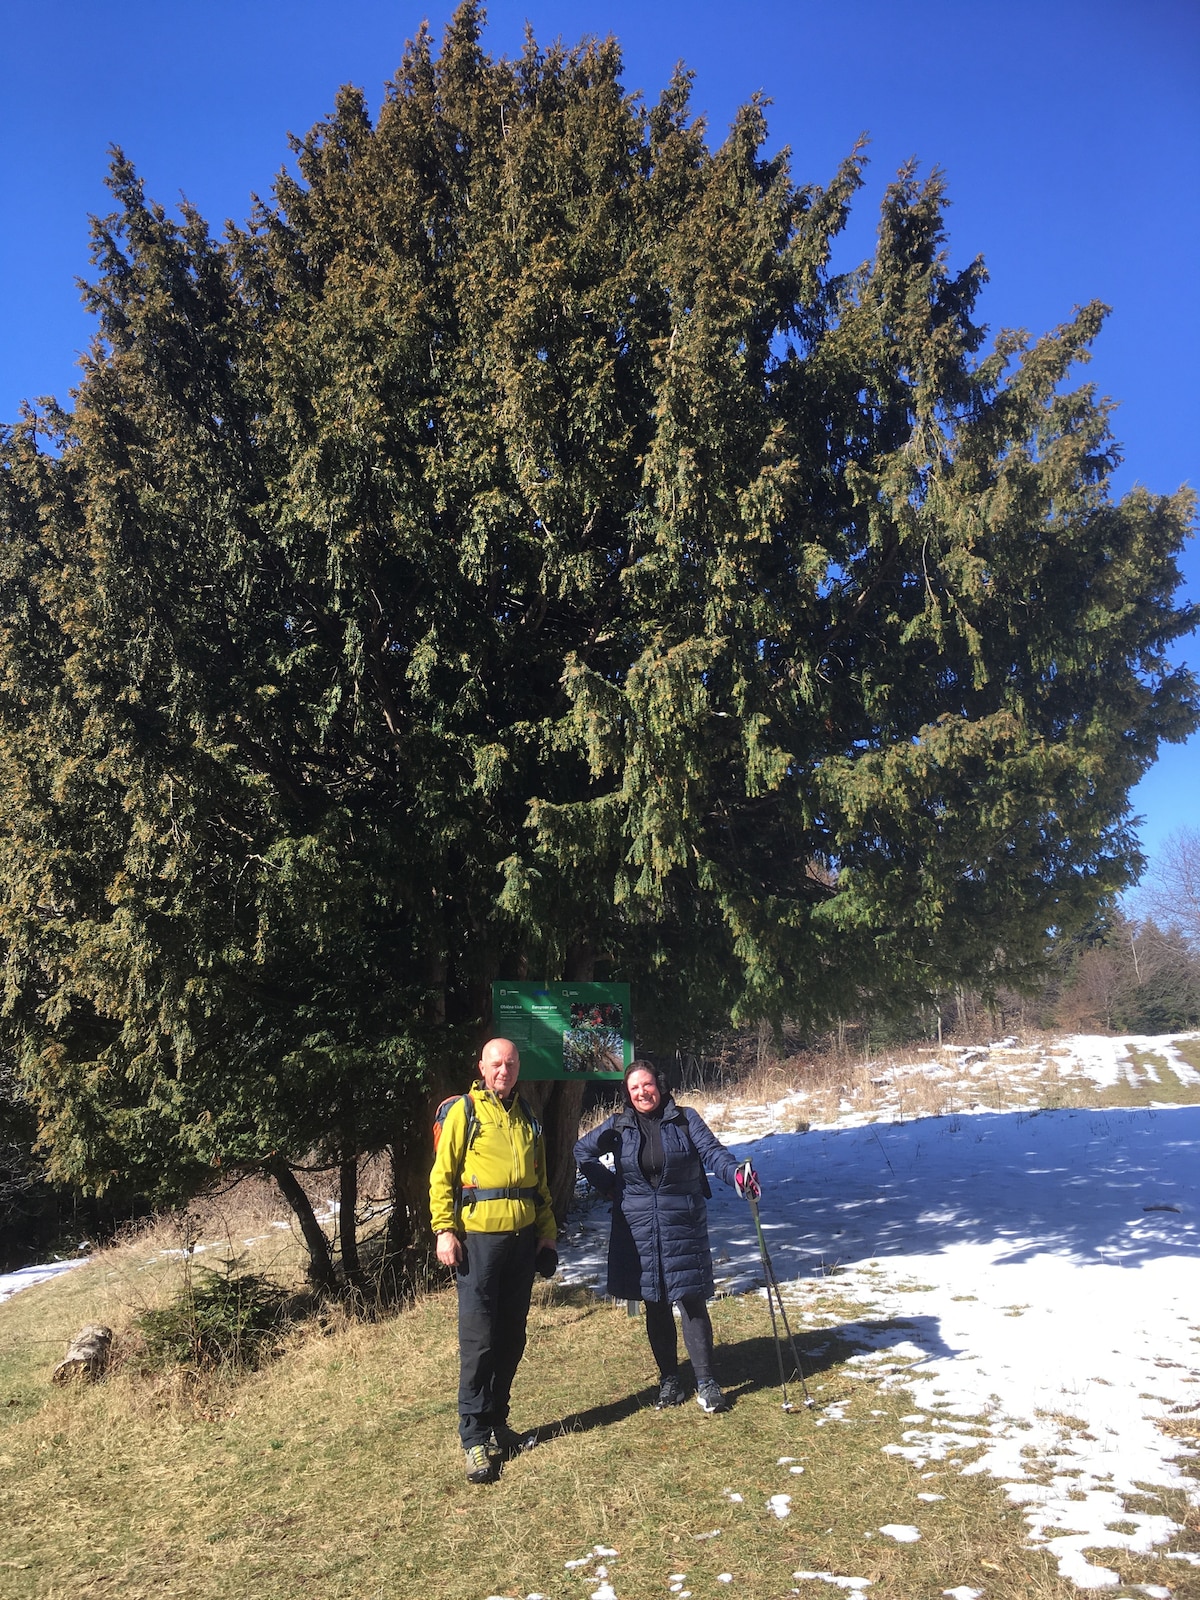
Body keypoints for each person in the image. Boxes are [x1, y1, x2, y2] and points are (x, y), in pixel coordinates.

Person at [574, 1059, 759, 1414]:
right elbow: (582, 1152)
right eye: (634, 1088)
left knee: (690, 1298)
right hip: (637, 1226)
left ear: (659, 1084)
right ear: (628, 1095)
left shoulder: (685, 1119)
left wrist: (736, 1175)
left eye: (647, 1084)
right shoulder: (619, 1126)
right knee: (654, 1301)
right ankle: (670, 1381)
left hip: (681, 1222)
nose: (643, 1092)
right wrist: (610, 1186)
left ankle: (706, 1382)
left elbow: (713, 1154)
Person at [430, 1037, 558, 1483]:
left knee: (511, 1336)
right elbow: (443, 1176)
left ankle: (498, 1422)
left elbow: (537, 1184)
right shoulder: (465, 1112)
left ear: (518, 1067)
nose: (503, 1070)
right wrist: (445, 1230)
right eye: (496, 1063)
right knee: (479, 1340)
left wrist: (547, 1234)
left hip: (523, 1241)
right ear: (482, 1067)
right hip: (480, 1242)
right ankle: (473, 1438)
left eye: (510, 1063)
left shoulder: (527, 1117)